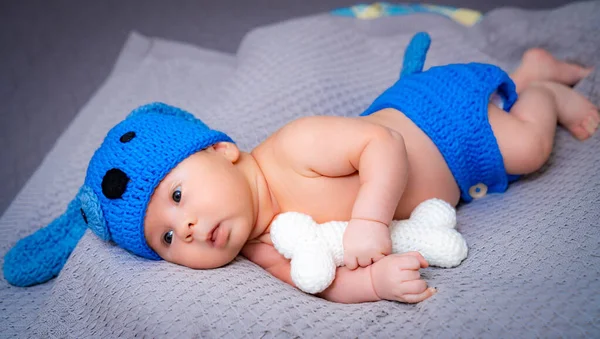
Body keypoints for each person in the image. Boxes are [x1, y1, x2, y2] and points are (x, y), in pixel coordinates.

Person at [4, 33, 597, 304]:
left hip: (441, 119)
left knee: (527, 151)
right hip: (452, 166)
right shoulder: (260, 246)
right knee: (518, 154)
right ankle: (531, 81)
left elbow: (383, 145)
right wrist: (374, 284)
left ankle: (539, 86)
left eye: (178, 195)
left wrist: (370, 219)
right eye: (163, 237)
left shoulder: (291, 147)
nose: (182, 229)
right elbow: (322, 282)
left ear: (221, 150)